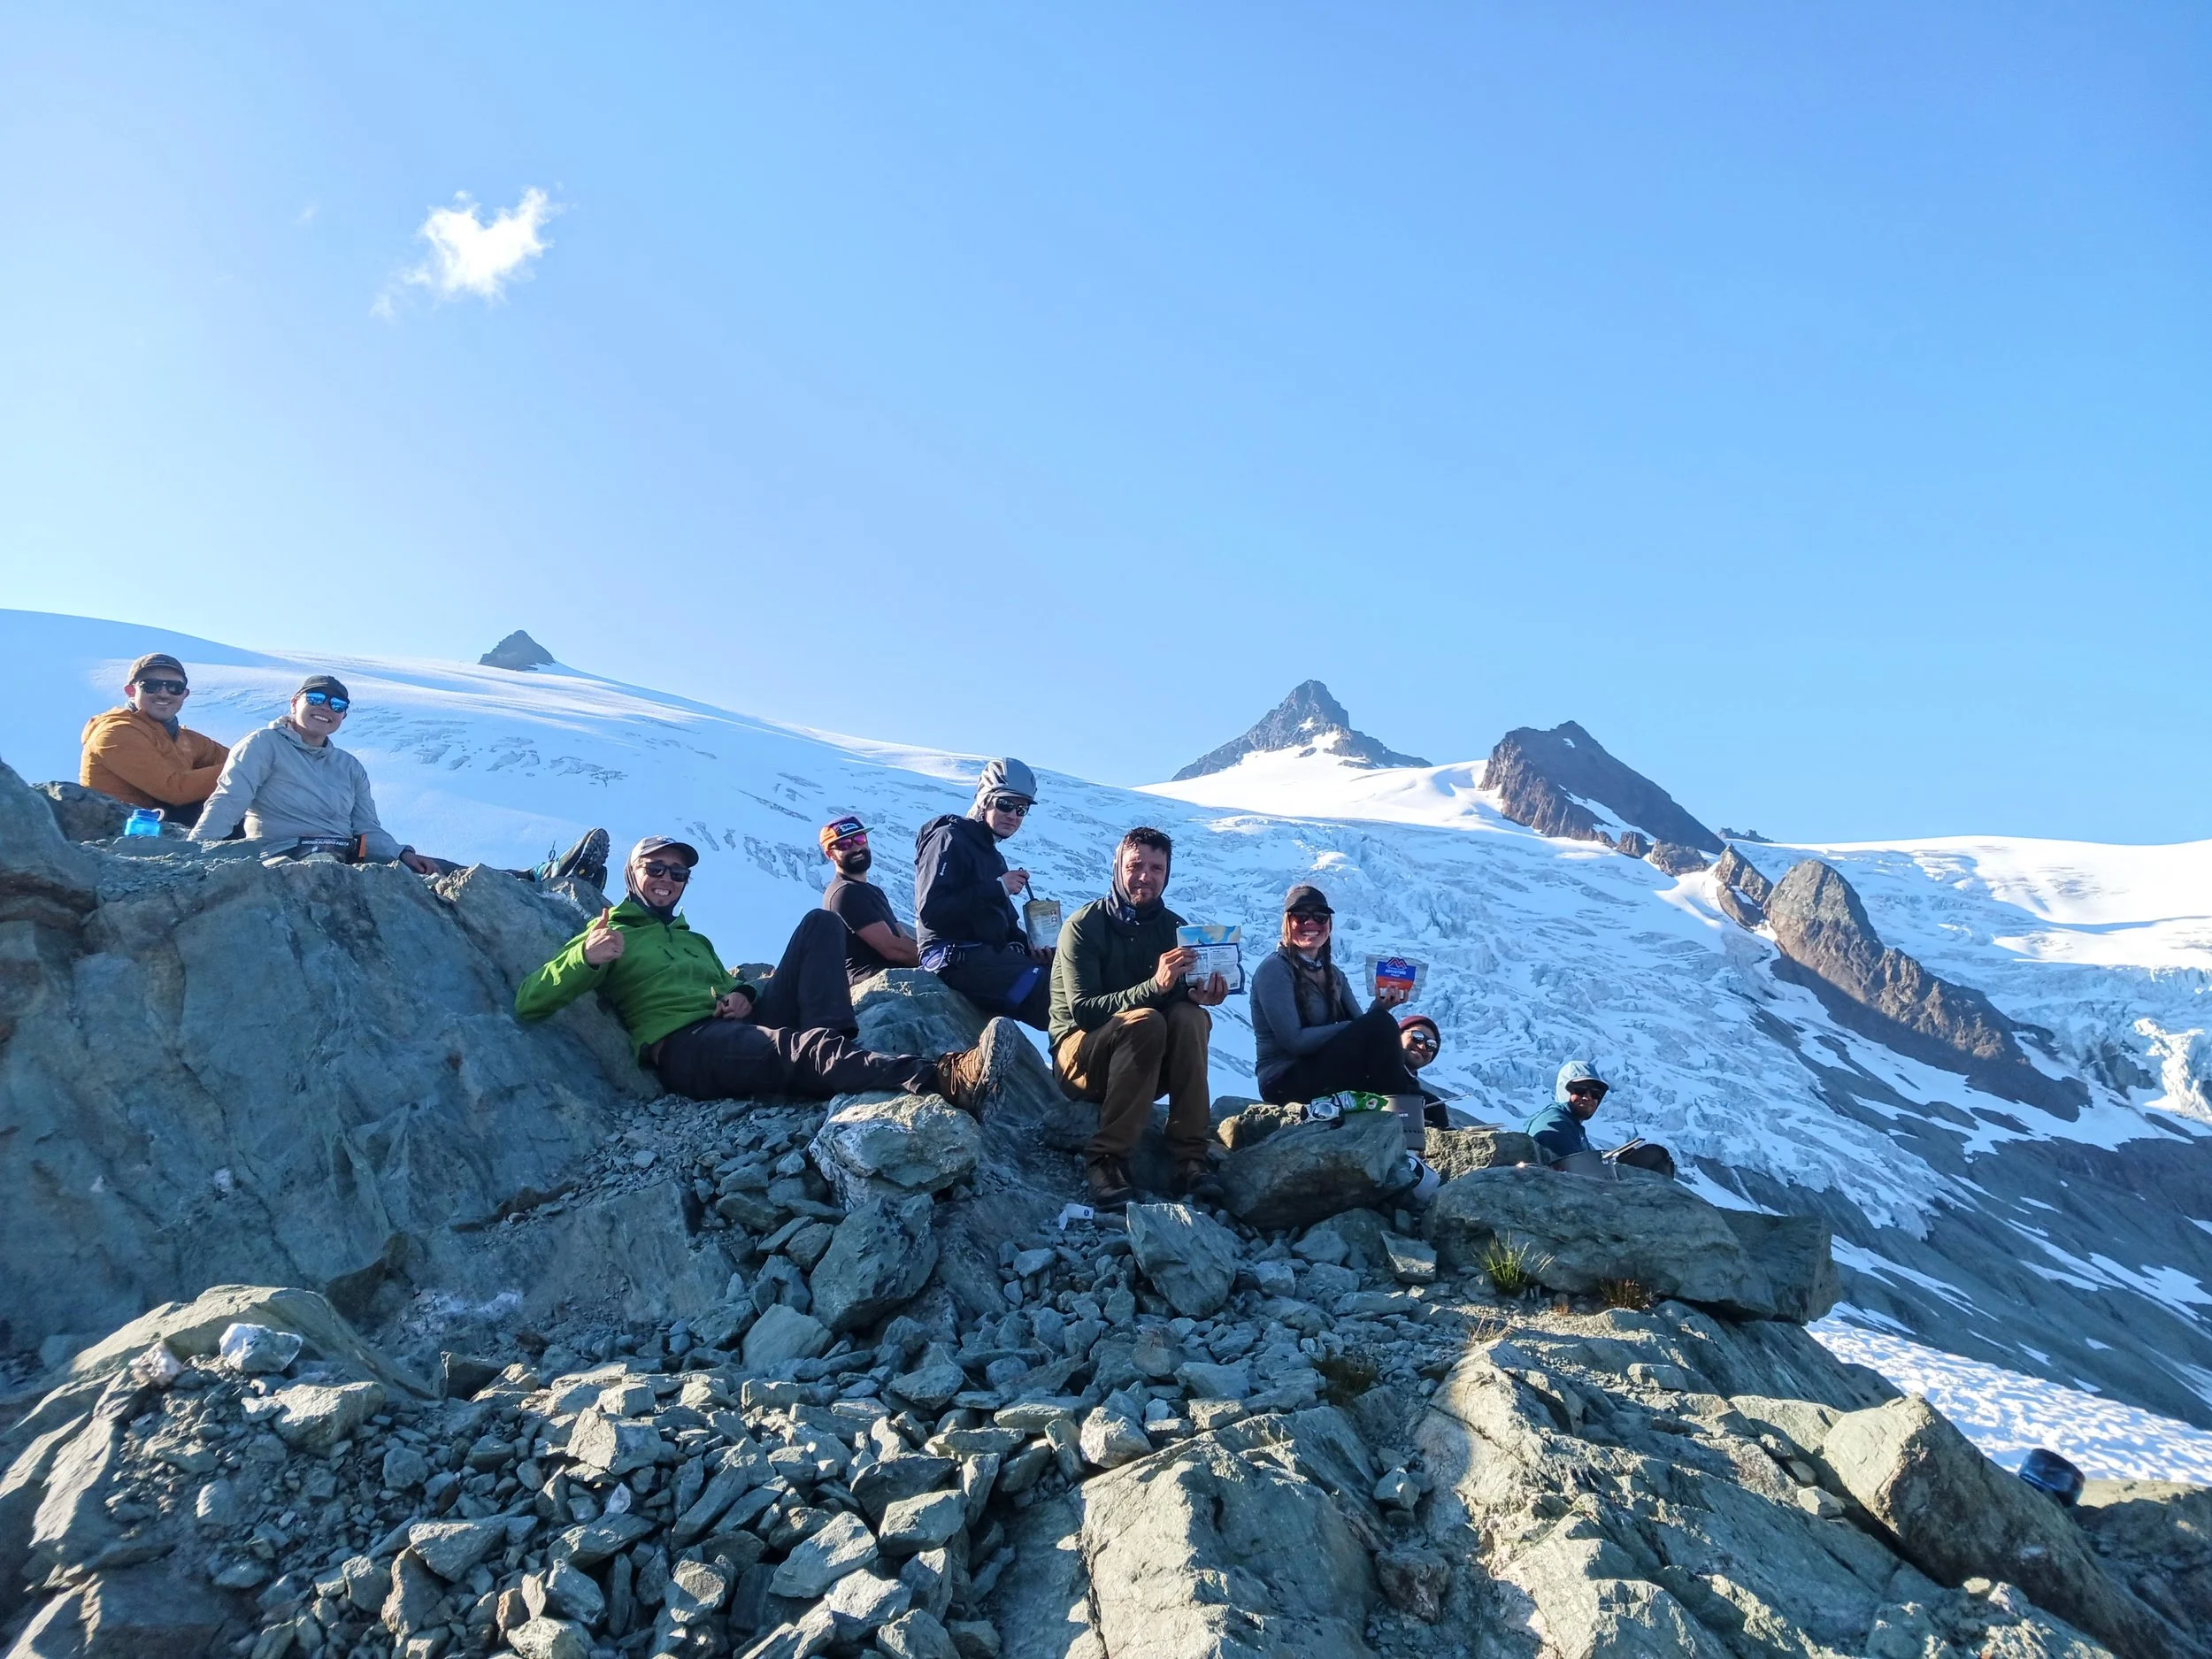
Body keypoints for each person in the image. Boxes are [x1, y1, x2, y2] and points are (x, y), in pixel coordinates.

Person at [517, 834, 1008, 1110]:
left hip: (733, 1026)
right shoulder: (608, 933)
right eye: (656, 868)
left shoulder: (692, 939)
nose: (668, 878)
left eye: (678, 872)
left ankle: (832, 1052)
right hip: (687, 1049)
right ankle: (942, 1078)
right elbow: (530, 1000)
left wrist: (743, 993)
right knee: (803, 1048)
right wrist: (586, 958)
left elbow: (731, 985)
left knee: (821, 922)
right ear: (633, 875)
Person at [191, 673, 606, 889]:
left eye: (337, 705)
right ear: (294, 703)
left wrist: (403, 854)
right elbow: (229, 799)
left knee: (445, 872)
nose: (326, 709)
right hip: (288, 854)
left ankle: (540, 877)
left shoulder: (348, 766)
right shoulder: (264, 744)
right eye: (316, 699)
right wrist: (193, 855)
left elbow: (367, 826)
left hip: (350, 854)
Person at [1048, 827, 1228, 1206]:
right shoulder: (1084, 927)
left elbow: (1174, 1000)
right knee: (1146, 1018)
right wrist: (1155, 987)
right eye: (1135, 865)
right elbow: (1084, 1011)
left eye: (1156, 868)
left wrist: (1198, 995)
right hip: (1080, 1061)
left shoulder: (1176, 931)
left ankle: (1190, 1157)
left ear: (1167, 874)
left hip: (1142, 1061)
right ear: (1118, 867)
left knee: (1191, 1018)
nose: (1145, 876)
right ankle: (1106, 1159)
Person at [1249, 884, 1429, 1110]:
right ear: (1287, 922)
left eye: (1320, 917)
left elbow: (1365, 1029)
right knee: (1382, 1026)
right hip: (1283, 1081)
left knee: (1430, 1103)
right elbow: (1294, 1042)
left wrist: (1382, 1006)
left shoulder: (1333, 974)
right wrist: (1360, 1024)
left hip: (1322, 1071)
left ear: (1329, 925)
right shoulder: (1274, 970)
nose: (1311, 923)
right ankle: (1400, 1118)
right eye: (1301, 916)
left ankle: (1409, 1119)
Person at [914, 757, 1052, 1028]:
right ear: (984, 800)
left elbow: (1002, 925)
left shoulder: (993, 857)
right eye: (1005, 804)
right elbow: (932, 913)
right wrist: (998, 887)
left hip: (985, 958)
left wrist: (1035, 951)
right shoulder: (949, 838)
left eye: (1021, 809)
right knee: (1054, 995)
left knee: (1071, 979)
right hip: (951, 959)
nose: (1013, 815)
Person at [79, 653, 229, 827]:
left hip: (160, 826)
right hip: (118, 834)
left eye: (175, 688)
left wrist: (260, 762)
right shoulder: (116, 732)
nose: (164, 694)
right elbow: (174, 790)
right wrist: (244, 769)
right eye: (151, 686)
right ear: (131, 691)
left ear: (185, 695)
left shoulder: (182, 737)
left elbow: (237, 757)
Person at [1525, 1061, 1677, 1177]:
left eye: (1595, 1094)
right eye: (1580, 1090)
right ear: (1564, 1091)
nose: (1588, 1098)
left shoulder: (1569, 1122)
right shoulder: (1556, 1124)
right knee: (1656, 1156)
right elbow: (1575, 1171)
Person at [819, 814, 920, 986]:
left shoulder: (872, 891)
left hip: (894, 975)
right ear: (830, 854)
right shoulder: (844, 894)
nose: (857, 848)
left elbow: (901, 937)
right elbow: (893, 949)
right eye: (845, 844)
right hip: (874, 983)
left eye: (860, 838)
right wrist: (938, 960)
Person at [1397, 1013, 1452, 1128]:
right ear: (1398, 1036)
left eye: (1431, 1045)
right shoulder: (1375, 1070)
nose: (1422, 1046)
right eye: (1417, 1036)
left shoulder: (1427, 1101)